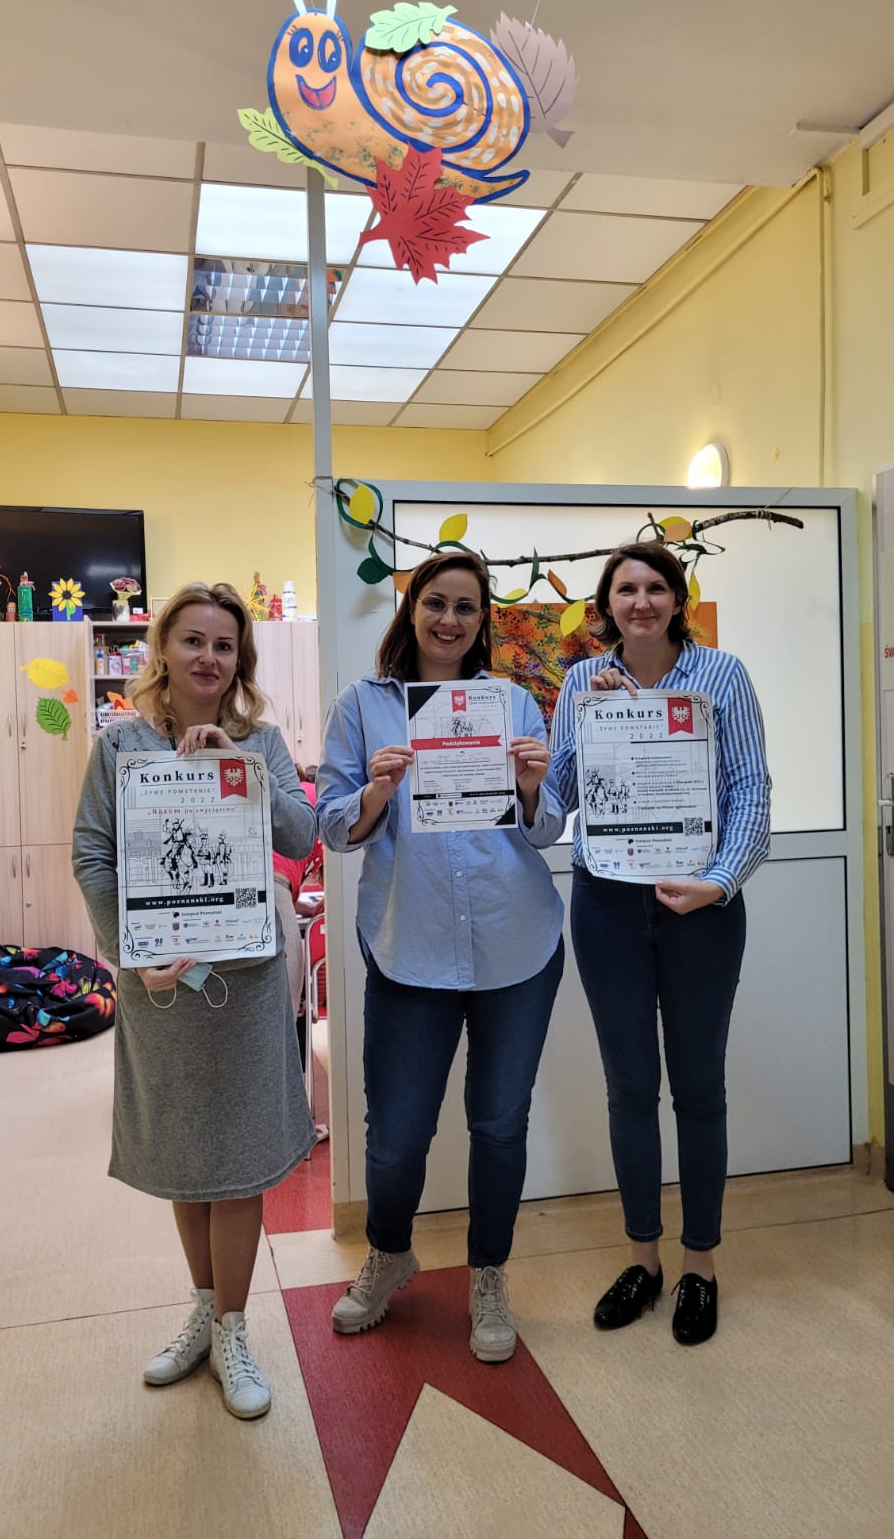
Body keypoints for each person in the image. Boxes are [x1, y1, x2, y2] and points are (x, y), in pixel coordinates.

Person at [72, 582, 317, 1419]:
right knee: (183, 1151)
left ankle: (235, 1328)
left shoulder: (262, 741)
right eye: (193, 640)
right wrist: (130, 953)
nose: (208, 657)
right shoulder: (120, 745)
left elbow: (301, 835)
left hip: (243, 986)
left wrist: (237, 772)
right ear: (163, 651)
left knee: (239, 1159)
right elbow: (92, 854)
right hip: (161, 986)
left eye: (224, 645)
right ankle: (205, 1312)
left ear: (239, 660)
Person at [316, 550, 566, 1362]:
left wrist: (532, 787)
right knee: (395, 1134)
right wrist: (376, 793)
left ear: (481, 620)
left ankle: (488, 1273)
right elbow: (333, 827)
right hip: (408, 945)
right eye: (435, 603)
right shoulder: (363, 705)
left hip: (515, 940)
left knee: (498, 1125)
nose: (449, 620)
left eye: (465, 607)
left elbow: (548, 828)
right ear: (411, 609)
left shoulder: (513, 703)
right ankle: (389, 1252)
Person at [550, 541, 771, 1345]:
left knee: (699, 1089)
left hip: (701, 906)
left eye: (655, 587)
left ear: (678, 599)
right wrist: (587, 722)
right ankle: (642, 1259)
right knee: (629, 1088)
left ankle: (700, 1264)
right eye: (626, 590)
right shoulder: (580, 682)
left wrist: (720, 881)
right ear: (606, 606)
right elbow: (557, 800)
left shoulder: (723, 675)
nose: (640, 601)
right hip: (607, 906)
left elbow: (750, 789)